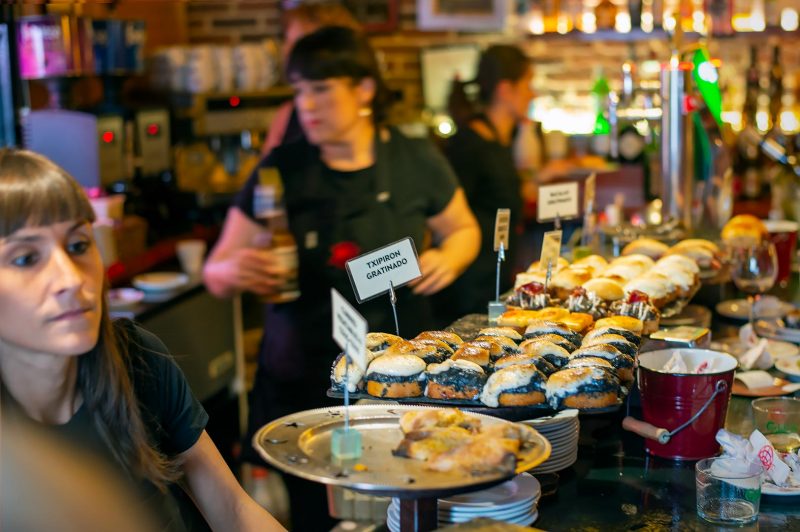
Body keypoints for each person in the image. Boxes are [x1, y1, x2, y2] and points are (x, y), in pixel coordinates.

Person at [204, 26, 480, 530]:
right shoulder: (281, 169)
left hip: (399, 376)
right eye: (299, 91)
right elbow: (216, 270)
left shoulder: (413, 158)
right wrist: (233, 270)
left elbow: (463, 228)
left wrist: (450, 257)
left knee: (407, 500)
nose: (306, 104)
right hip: (304, 380)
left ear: (364, 89)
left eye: (321, 89)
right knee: (315, 516)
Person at [0, 149, 285, 532]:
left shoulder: (136, 359)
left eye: (78, 245)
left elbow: (232, 509)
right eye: (25, 258)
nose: (70, 278)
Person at [435, 44, 535, 324]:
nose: (533, 94)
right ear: (505, 90)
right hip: (472, 287)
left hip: (496, 277)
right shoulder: (469, 146)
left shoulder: (500, 138)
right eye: (528, 84)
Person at [261, 1, 361, 156]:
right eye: (287, 41)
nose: (287, 51)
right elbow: (267, 166)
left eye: (299, 44)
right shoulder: (287, 114)